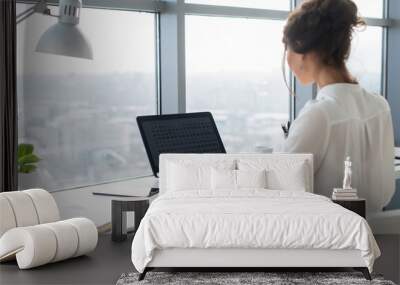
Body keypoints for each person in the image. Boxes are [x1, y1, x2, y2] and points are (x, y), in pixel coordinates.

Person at [281, 0, 395, 213]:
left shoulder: (319, 115)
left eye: (287, 46)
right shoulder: (380, 106)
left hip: (322, 235)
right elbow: (385, 191)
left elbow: (282, 188)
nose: (287, 58)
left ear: (306, 52)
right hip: (374, 239)